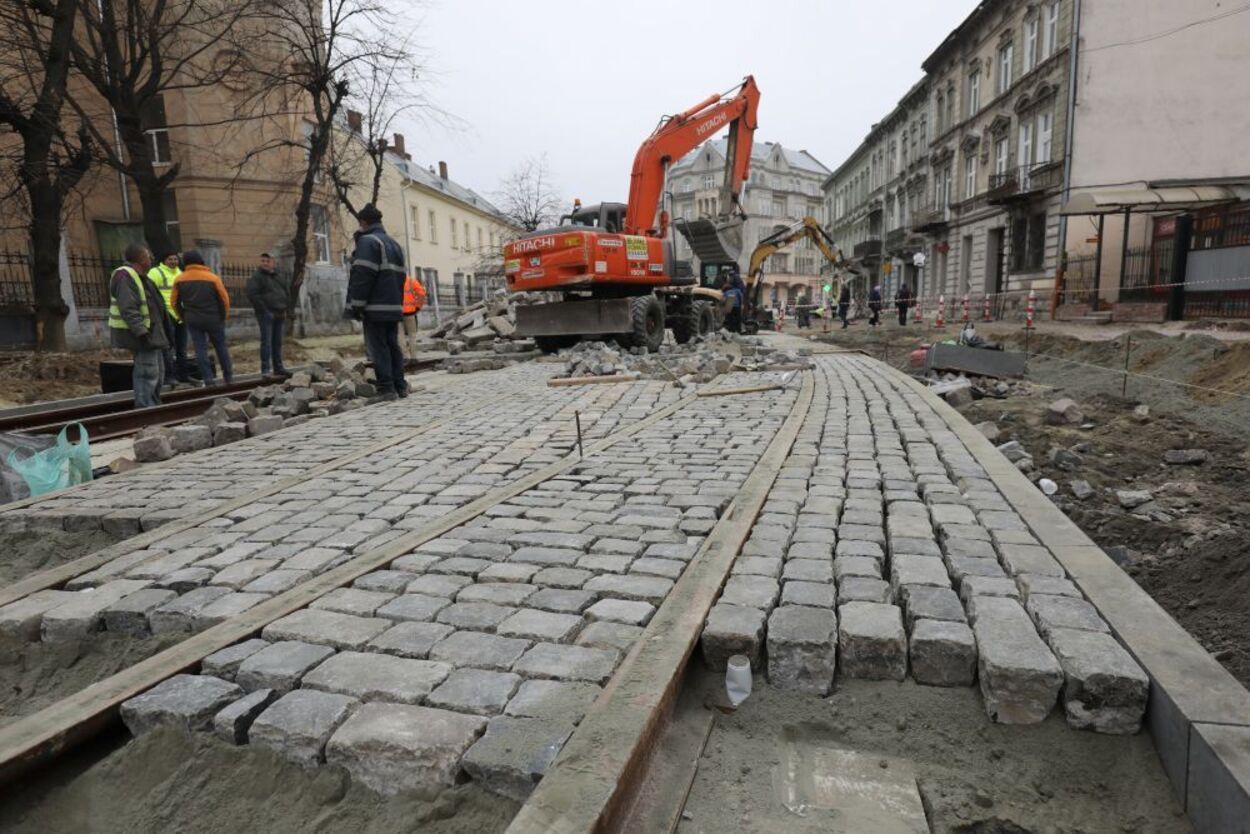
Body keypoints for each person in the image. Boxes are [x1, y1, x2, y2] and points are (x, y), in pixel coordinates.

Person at [347, 203, 408, 400]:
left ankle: (386, 389)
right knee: (393, 346)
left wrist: (356, 305)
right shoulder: (394, 244)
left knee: (378, 347)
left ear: (363, 222)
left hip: (374, 306)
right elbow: (401, 278)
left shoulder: (368, 242)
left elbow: (363, 276)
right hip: (393, 306)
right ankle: (400, 385)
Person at [109, 243, 169, 408]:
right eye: (148, 256)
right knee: (147, 372)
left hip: (153, 333)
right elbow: (128, 307)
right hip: (142, 334)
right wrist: (141, 331)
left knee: (158, 372)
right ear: (142, 259)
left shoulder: (143, 277)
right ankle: (145, 407)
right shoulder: (125, 276)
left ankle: (154, 404)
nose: (151, 259)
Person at [172, 250, 234, 386]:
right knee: (220, 346)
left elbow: (174, 302)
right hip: (213, 318)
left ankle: (208, 379)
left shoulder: (180, 279)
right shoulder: (212, 278)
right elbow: (224, 299)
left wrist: (182, 316)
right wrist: (224, 316)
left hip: (192, 319)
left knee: (200, 349)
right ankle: (228, 376)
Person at [147, 251, 190, 383]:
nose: (173, 261)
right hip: (165, 314)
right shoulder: (155, 273)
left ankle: (183, 375)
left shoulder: (181, 274)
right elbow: (149, 292)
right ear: (164, 260)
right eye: (170, 259)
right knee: (168, 347)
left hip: (180, 314)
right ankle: (169, 375)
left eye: (175, 259)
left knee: (182, 347)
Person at [246, 252, 290, 376]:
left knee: (277, 342)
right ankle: (265, 369)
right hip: (266, 314)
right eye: (263, 261)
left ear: (272, 262)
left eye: (267, 261)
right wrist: (264, 310)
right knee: (266, 341)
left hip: (279, 312)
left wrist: (285, 308)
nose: (265, 263)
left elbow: (286, 292)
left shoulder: (278, 276)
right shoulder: (256, 277)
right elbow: (252, 294)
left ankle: (278, 367)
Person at [400, 271, 427, 358]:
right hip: (410, 312)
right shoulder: (411, 281)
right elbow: (422, 293)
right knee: (412, 335)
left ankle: (404, 357)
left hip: (397, 312)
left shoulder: (393, 281)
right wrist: (418, 307)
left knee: (400, 335)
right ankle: (414, 357)